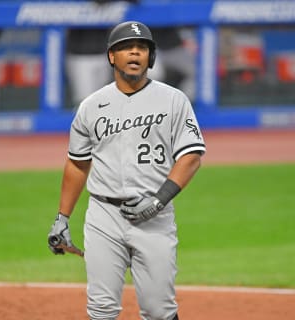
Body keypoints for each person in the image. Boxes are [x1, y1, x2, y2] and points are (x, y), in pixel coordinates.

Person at [48, 21, 206, 320]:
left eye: (142, 47)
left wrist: (160, 199)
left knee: (159, 311)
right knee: (101, 308)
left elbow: (191, 156)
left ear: (151, 56)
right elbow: (78, 163)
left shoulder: (173, 100)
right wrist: (62, 218)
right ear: (111, 56)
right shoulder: (91, 106)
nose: (135, 52)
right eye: (126, 48)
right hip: (103, 216)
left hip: (155, 216)